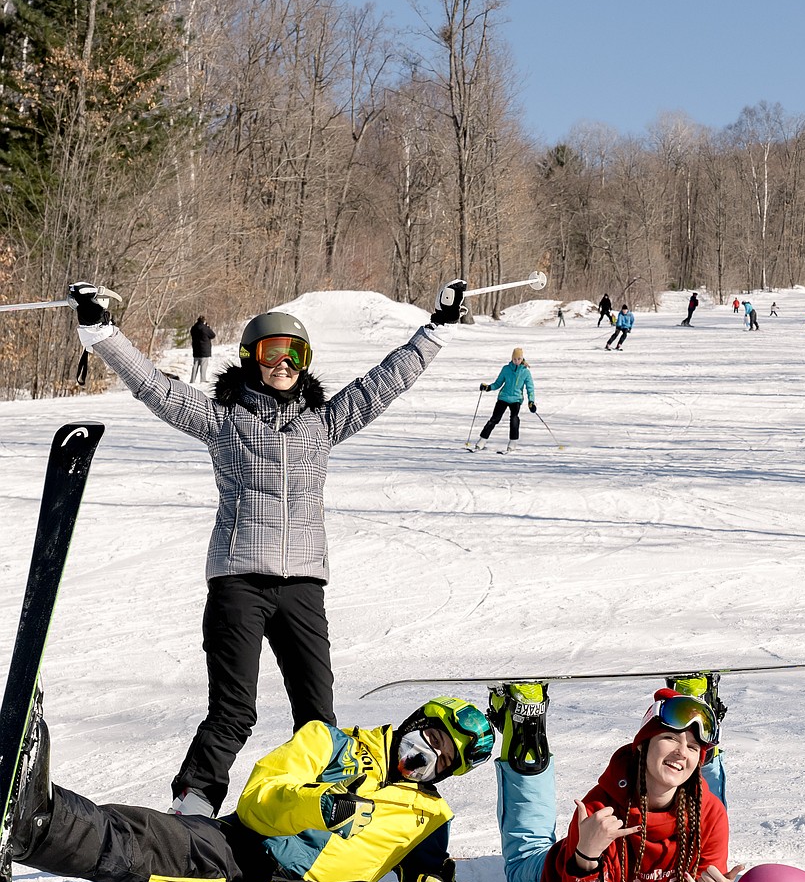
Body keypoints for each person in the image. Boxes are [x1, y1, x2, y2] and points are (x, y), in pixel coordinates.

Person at [68, 279, 466, 816]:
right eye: (270, 352)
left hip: (303, 583)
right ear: (250, 357)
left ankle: (317, 804)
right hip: (238, 579)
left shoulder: (322, 423)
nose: (283, 363)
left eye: (294, 353)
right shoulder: (224, 419)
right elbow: (154, 388)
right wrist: (102, 332)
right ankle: (195, 802)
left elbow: (384, 382)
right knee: (234, 709)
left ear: (305, 362)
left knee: (318, 717)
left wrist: (436, 328)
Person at [9, 694, 494, 882]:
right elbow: (260, 800)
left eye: (442, 761)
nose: (425, 757)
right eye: (431, 738)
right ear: (416, 721)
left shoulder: (428, 818)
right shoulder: (328, 741)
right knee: (166, 838)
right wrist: (319, 805)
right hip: (242, 851)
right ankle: (35, 823)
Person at [494, 688, 744, 882]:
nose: (681, 752)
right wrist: (585, 857)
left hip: (631, 874)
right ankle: (526, 732)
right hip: (556, 870)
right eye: (670, 738)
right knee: (525, 858)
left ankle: (692, 694)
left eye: (694, 747)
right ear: (642, 745)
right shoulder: (601, 811)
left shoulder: (708, 814)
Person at [472, 346, 536, 454]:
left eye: (519, 359)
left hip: (516, 399)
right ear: (512, 358)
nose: (517, 361)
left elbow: (530, 388)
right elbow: (498, 383)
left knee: (514, 419)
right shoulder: (506, 369)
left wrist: (531, 402)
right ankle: (482, 440)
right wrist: (488, 387)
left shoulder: (525, 372)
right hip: (503, 397)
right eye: (515, 359)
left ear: (522, 359)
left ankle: (513, 442)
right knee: (494, 419)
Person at [189, 315, 215, 384]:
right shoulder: (205, 328)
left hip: (196, 349)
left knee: (195, 365)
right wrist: (208, 327)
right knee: (203, 366)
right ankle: (203, 379)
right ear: (204, 321)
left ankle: (192, 380)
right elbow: (213, 335)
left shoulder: (193, 328)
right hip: (204, 350)